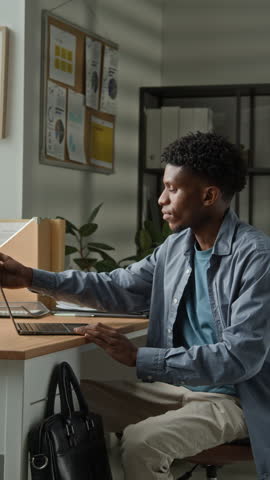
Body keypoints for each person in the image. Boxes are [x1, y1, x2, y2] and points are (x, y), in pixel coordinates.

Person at [0, 131, 270, 480]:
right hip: (174, 390)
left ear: (209, 195)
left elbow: (240, 359)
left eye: (173, 189)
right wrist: (31, 277)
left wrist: (139, 357)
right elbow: (116, 286)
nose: (161, 199)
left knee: (143, 443)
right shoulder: (174, 249)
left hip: (234, 401)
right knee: (61, 406)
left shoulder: (256, 257)